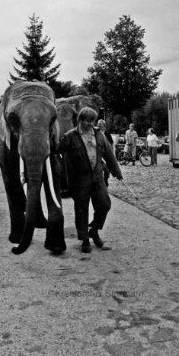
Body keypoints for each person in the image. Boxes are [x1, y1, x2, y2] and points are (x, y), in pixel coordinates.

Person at [58, 107, 123, 253]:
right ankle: (85, 239)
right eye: (86, 120)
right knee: (81, 209)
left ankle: (94, 230)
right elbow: (58, 151)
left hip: (97, 176)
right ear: (80, 120)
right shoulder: (70, 136)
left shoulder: (99, 134)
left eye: (91, 120)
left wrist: (116, 171)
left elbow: (109, 155)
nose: (89, 123)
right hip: (79, 179)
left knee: (104, 204)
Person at [97, 119, 113, 186]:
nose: (98, 127)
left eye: (100, 125)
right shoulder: (95, 133)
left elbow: (111, 143)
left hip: (105, 155)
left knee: (106, 171)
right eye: (98, 125)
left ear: (104, 126)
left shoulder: (107, 134)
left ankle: (105, 179)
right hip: (97, 155)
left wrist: (111, 153)